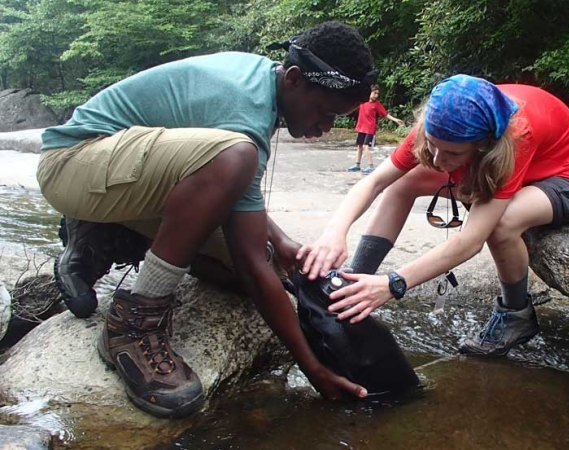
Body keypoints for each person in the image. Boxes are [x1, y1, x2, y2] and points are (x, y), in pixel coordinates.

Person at [36, 21, 375, 418]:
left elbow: (244, 231)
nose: (326, 125)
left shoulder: (269, 83)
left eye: (337, 117)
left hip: (127, 174)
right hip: (75, 162)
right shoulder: (242, 110)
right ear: (297, 80)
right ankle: (133, 325)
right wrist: (312, 367)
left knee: (260, 268)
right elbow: (249, 249)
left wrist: (282, 244)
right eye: (324, 112)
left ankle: (114, 232)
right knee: (241, 186)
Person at [298, 75, 569, 357]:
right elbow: (376, 182)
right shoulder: (442, 122)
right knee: (403, 183)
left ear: (484, 145)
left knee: (502, 224)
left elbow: (471, 240)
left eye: (452, 154)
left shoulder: (514, 137)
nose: (438, 159)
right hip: (517, 166)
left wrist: (394, 284)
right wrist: (334, 232)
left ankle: (516, 314)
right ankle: (354, 283)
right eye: (432, 146)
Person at [347, 84, 405, 175]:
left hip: (370, 128)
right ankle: (357, 165)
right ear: (369, 93)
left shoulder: (377, 105)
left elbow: (385, 114)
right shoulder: (362, 102)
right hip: (361, 127)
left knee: (366, 147)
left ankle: (371, 166)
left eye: (377, 93)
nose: (376, 95)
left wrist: (395, 120)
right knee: (360, 146)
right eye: (374, 93)